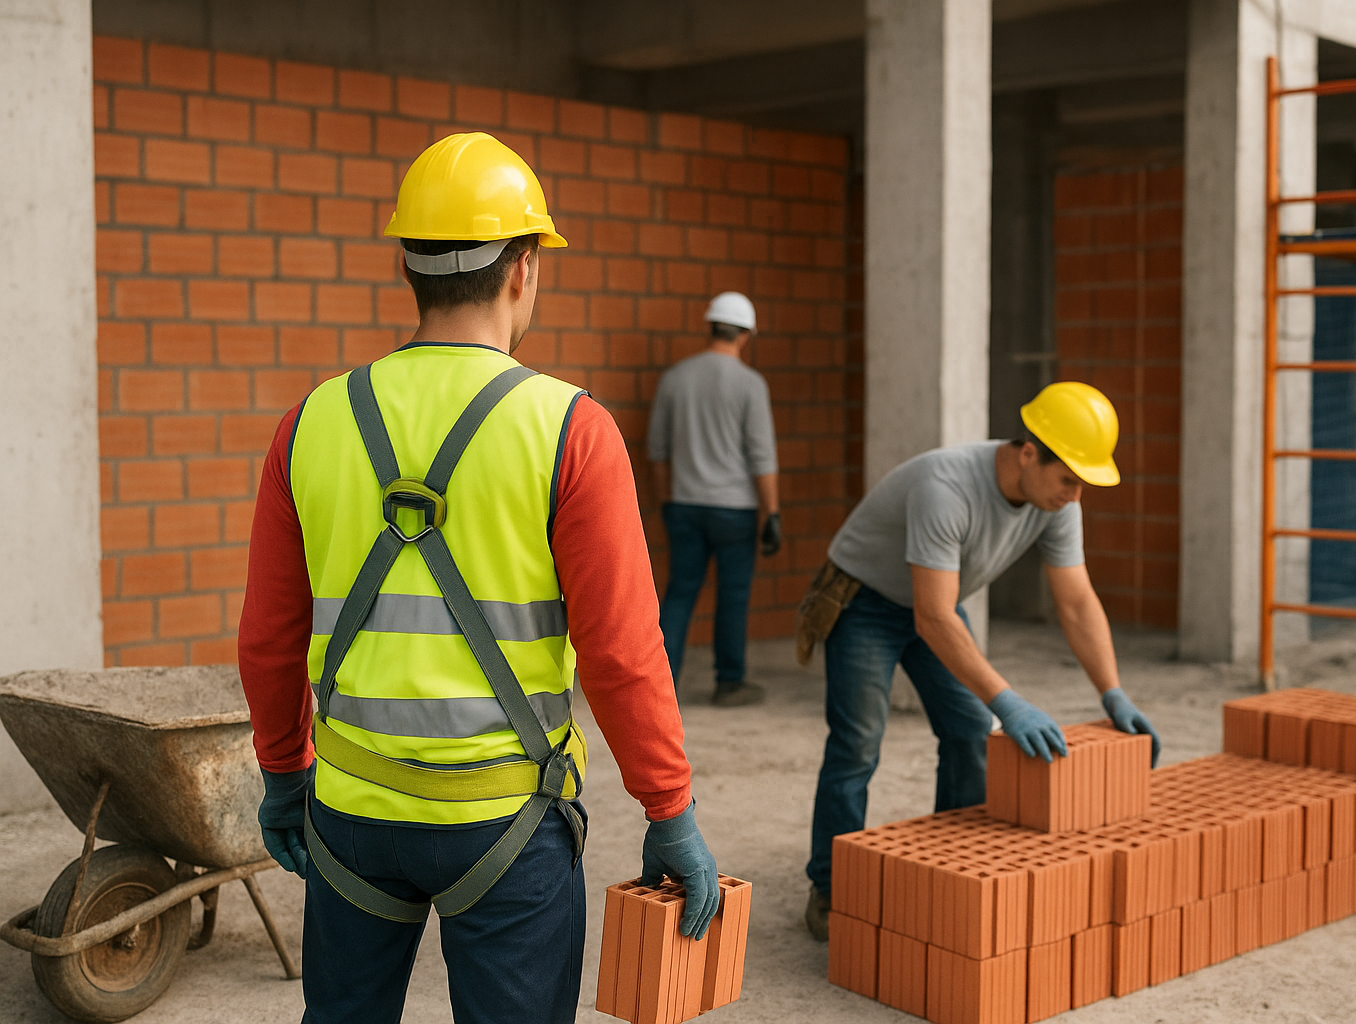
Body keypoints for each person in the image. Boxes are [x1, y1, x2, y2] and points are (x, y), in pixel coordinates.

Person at [237, 132, 719, 1024]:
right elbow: (621, 651)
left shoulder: (310, 423)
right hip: (506, 825)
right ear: (524, 268)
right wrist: (669, 806)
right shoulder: (570, 430)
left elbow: (268, 636)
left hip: (351, 814)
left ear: (407, 267)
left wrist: (282, 775)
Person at [797, 382, 1161, 940]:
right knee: (858, 743)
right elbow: (934, 618)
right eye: (1069, 479)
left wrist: (1112, 691)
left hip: (935, 602)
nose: (1075, 495)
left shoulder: (1057, 502)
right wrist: (1007, 702)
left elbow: (1076, 602)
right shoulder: (947, 488)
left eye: (1083, 483)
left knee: (970, 731)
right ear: (1029, 453)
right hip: (865, 601)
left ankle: (950, 872)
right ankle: (830, 887)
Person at [646, 292, 781, 707]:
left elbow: (657, 449)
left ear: (712, 327)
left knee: (680, 592)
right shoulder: (750, 384)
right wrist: (771, 513)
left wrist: (667, 500)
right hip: (735, 511)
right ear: (745, 335)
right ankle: (729, 683)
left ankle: (660, 687)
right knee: (733, 595)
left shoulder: (675, 378)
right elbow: (762, 456)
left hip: (685, 505)